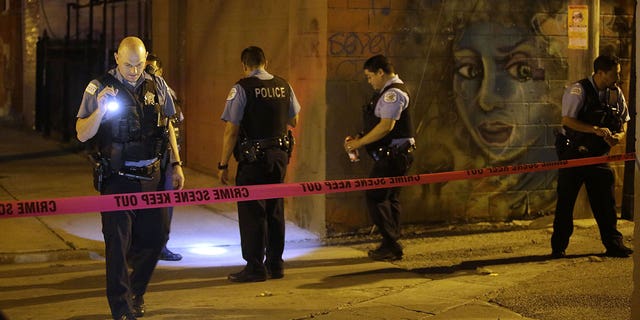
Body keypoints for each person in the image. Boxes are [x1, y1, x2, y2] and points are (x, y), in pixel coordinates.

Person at [76, 36, 185, 320]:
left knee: (156, 238)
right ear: (116, 58)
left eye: (139, 64)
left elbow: (169, 125)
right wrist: (100, 110)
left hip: (152, 174)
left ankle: (136, 292)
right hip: (118, 178)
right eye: (128, 65)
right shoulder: (99, 87)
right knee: (117, 245)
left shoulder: (157, 84)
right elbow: (82, 133)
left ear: (146, 58)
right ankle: (122, 308)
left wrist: (176, 163)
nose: (134, 70)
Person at [218, 46, 300, 282]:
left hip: (253, 160)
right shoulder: (284, 85)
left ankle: (255, 267)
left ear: (245, 66)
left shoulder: (241, 88)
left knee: (253, 212)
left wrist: (223, 164)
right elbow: (293, 119)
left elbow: (231, 130)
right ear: (267, 62)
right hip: (279, 158)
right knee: (275, 209)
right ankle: (275, 265)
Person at [551, 54, 633, 259]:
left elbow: (624, 120)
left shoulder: (615, 93)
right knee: (566, 203)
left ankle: (614, 245)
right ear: (601, 73)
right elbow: (568, 121)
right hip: (574, 154)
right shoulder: (578, 90)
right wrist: (594, 129)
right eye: (615, 74)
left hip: (599, 156)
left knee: (606, 204)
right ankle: (558, 247)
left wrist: (618, 137)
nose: (618, 78)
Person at [344, 54, 415, 261]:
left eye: (369, 76)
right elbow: (376, 123)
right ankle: (391, 242)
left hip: (393, 157)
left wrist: (359, 143)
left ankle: (391, 244)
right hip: (394, 155)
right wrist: (360, 136)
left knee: (376, 196)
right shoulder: (387, 92)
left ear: (380, 72)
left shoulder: (393, 94)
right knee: (388, 198)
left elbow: (386, 126)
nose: (369, 81)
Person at [145, 53, 184, 262]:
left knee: (165, 207)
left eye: (153, 69)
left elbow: (175, 126)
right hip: (150, 159)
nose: (149, 73)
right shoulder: (140, 93)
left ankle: (162, 246)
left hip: (167, 158)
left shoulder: (168, 93)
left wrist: (178, 163)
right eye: (146, 69)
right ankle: (141, 248)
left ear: (161, 72)